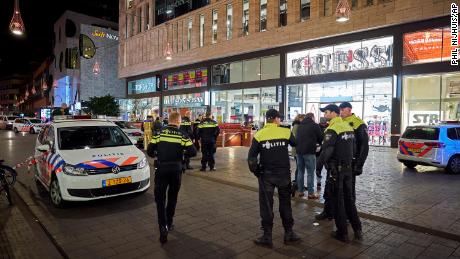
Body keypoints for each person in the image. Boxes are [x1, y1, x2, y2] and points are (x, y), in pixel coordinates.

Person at [247, 109, 301, 248]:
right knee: (285, 203)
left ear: (267, 119)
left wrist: (256, 171)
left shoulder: (259, 134)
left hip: (267, 175)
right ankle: (289, 233)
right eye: (279, 118)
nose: (280, 120)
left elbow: (251, 157)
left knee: (266, 205)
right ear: (276, 119)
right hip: (284, 175)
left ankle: (267, 236)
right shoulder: (285, 131)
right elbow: (295, 143)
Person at [147, 112, 197, 244]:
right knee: (172, 197)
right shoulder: (183, 135)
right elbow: (193, 152)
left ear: (169, 121)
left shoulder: (158, 133)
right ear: (179, 121)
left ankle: (162, 227)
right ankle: (169, 222)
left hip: (161, 169)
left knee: (160, 199)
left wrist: (158, 152)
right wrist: (182, 152)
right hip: (176, 170)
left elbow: (150, 151)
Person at [315, 104, 362, 243]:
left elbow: (327, 151)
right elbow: (354, 148)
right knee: (349, 200)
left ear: (334, 113)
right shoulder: (348, 127)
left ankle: (342, 233)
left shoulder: (332, 129)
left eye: (327, 112)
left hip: (336, 171)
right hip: (348, 169)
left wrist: (318, 167)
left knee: (338, 201)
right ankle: (357, 229)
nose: (325, 114)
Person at [339, 102, 369, 200]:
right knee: (338, 188)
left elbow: (364, 146)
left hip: (351, 161)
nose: (341, 112)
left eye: (343, 110)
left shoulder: (359, 123)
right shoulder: (339, 122)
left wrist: (359, 165)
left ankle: (350, 212)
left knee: (349, 189)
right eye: (340, 110)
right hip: (339, 161)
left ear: (349, 110)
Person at [295, 113, 323, 199]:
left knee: (300, 171)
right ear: (312, 117)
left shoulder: (299, 125)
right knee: (310, 173)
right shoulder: (315, 125)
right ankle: (310, 193)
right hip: (309, 152)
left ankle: (300, 191)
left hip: (299, 152)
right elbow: (321, 138)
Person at [291, 114, 305, 196]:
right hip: (297, 150)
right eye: (303, 118)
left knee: (299, 167)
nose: (303, 119)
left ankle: (298, 183)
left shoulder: (297, 124)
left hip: (297, 149)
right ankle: (297, 183)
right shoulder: (297, 125)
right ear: (299, 118)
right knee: (299, 168)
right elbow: (295, 137)